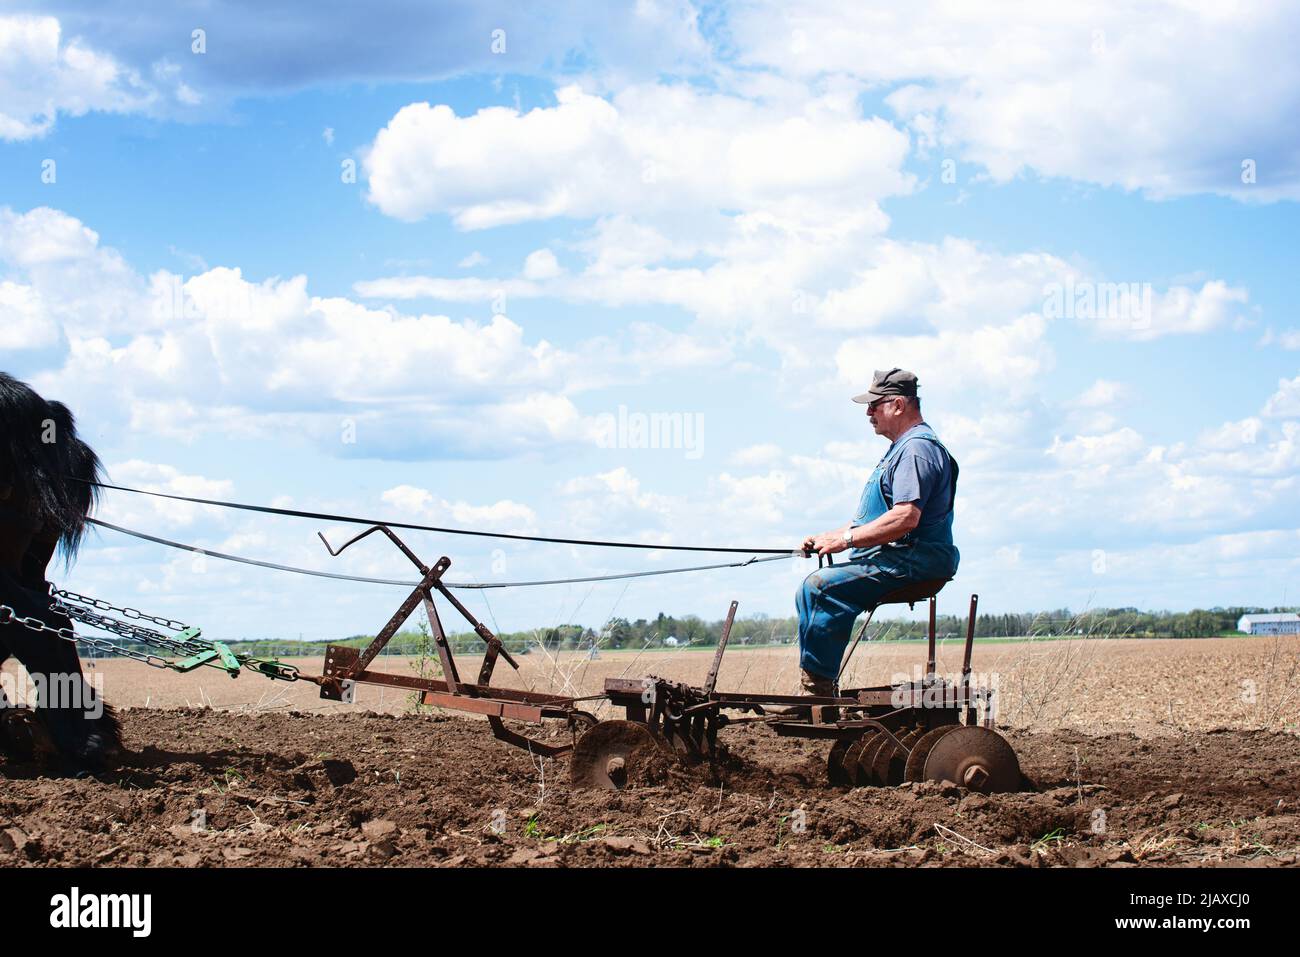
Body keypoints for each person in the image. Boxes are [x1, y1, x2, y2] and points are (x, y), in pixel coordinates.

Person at [795, 368, 959, 702]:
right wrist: (830, 536)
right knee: (816, 588)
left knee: (820, 590)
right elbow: (878, 519)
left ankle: (816, 697)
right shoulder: (903, 448)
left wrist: (846, 541)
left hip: (914, 560)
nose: (868, 413)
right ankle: (818, 692)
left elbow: (905, 518)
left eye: (875, 405)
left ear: (898, 405)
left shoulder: (915, 450)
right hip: (902, 557)